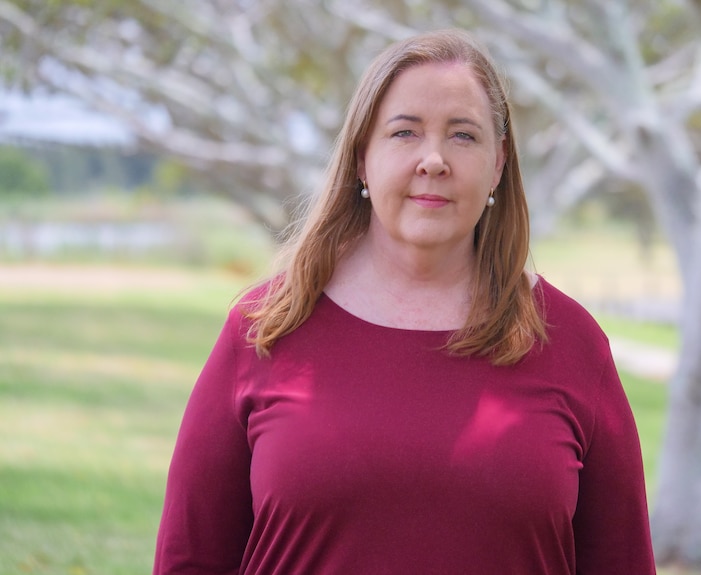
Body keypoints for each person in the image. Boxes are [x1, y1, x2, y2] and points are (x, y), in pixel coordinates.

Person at [153, 28, 656, 575]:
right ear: (362, 157)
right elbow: (189, 559)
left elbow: (622, 562)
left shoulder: (570, 342)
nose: (434, 159)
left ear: (498, 163)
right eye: (404, 133)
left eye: (463, 135)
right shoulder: (263, 329)